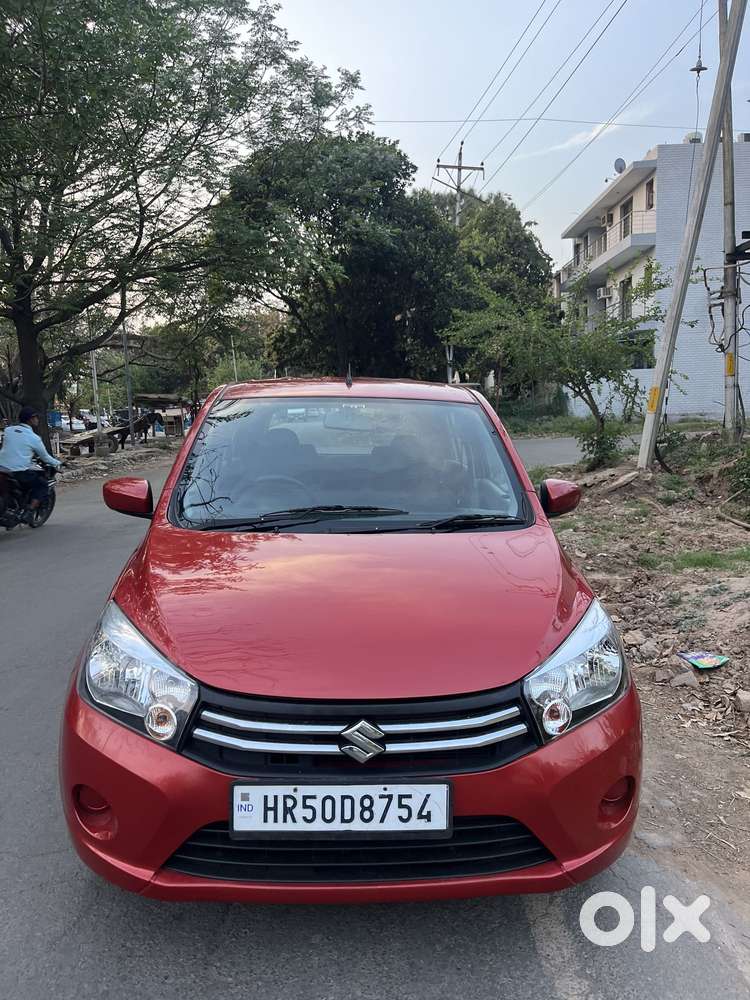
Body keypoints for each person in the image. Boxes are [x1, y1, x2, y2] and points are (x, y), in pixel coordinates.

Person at [0, 406, 62, 521]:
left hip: (2, 468)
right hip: (18, 471)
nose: (38, 420)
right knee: (42, 485)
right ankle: (29, 511)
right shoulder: (34, 438)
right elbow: (45, 457)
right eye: (36, 417)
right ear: (31, 419)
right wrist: (58, 463)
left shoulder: (8, 431)